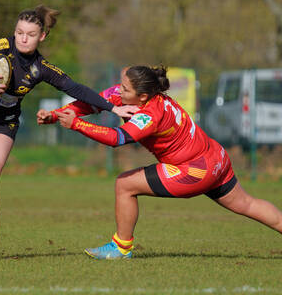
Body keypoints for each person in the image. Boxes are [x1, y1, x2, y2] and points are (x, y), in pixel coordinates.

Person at [37, 65, 282, 260]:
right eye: (121, 86)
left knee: (124, 185)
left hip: (193, 171)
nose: (118, 93)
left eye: (124, 89)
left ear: (142, 96)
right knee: (248, 204)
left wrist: (77, 124)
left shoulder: (150, 114)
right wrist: (56, 115)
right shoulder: (139, 95)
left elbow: (117, 138)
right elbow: (95, 103)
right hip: (215, 157)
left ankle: (121, 248)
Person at [0, 5, 137, 259]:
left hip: (4, 123)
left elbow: (76, 89)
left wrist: (113, 108)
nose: (23, 38)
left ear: (41, 36)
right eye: (19, 32)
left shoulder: (41, 68)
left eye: (30, 34)